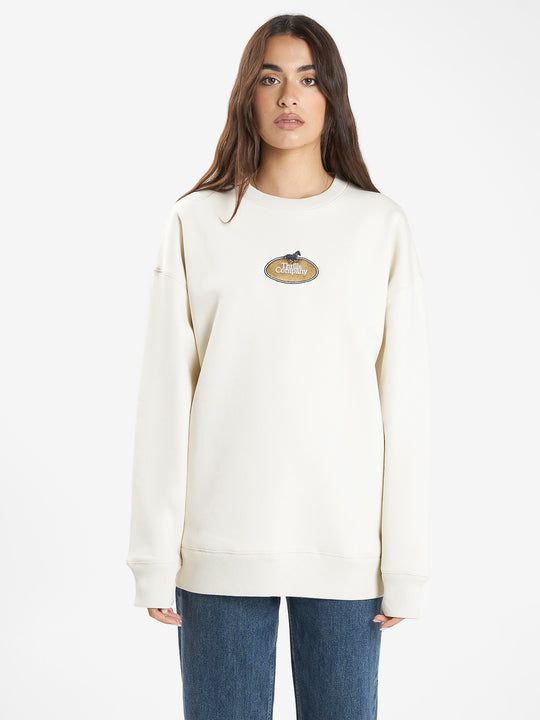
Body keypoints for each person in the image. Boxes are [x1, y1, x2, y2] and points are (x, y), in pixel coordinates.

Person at [126, 13, 431, 720]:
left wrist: (405, 565)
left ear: (332, 97)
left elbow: (405, 406)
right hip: (220, 547)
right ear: (248, 94)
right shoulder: (196, 222)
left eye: (308, 78)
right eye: (270, 78)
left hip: (346, 549)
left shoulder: (379, 225)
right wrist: (153, 558)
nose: (289, 96)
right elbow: (165, 399)